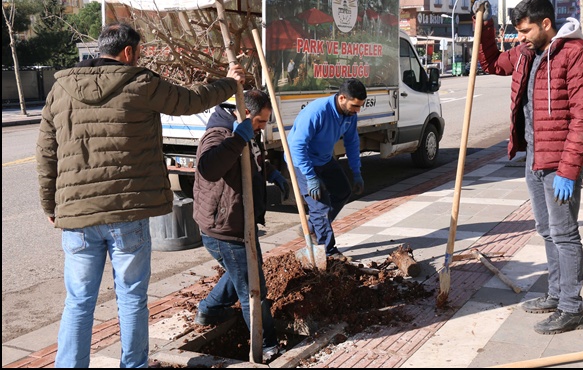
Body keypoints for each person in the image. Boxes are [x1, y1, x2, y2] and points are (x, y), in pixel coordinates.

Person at [35, 22, 246, 368]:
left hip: (77, 217)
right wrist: (229, 82)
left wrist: (49, 203)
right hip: (128, 213)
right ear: (128, 52)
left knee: (78, 300)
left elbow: (45, 152)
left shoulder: (60, 89)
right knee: (131, 297)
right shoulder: (140, 84)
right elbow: (191, 100)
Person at [472, 0, 583, 334]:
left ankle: (572, 308)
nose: (521, 38)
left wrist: (570, 170)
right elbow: (493, 63)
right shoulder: (527, 54)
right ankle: (556, 295)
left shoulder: (576, 54)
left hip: (560, 164)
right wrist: (485, 26)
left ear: (546, 24)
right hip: (535, 158)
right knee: (546, 231)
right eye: (517, 31)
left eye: (525, 30)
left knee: (565, 235)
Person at [192, 89, 288, 362]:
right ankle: (267, 344)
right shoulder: (219, 135)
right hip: (225, 229)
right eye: (259, 121)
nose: (262, 127)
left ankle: (209, 310)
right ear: (245, 113)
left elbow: (253, 160)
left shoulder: (247, 131)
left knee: (243, 273)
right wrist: (236, 138)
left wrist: (273, 174)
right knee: (253, 287)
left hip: (241, 223)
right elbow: (208, 168)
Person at [287, 78, 367, 259]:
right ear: (341, 99)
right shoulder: (317, 112)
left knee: (343, 191)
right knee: (320, 207)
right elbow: (297, 146)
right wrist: (310, 177)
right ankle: (328, 252)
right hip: (301, 162)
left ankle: (312, 227)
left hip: (323, 160)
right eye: (355, 106)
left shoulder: (349, 116)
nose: (357, 111)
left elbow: (352, 142)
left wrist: (357, 172)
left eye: (360, 106)